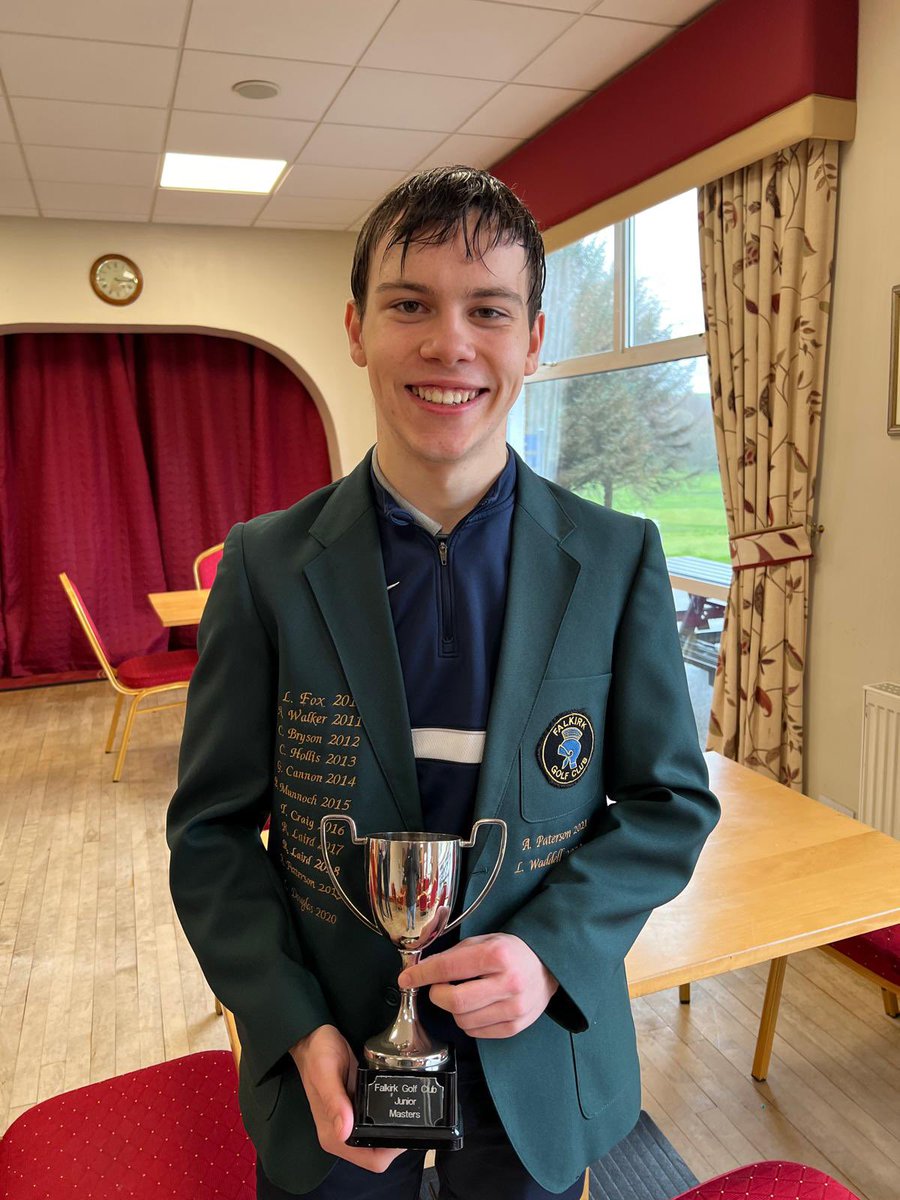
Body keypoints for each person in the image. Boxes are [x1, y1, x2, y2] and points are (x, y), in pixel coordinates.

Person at [167, 166, 720, 1199]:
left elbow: (667, 804)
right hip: (328, 1060)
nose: (450, 344)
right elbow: (208, 837)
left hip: (535, 1056)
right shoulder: (265, 566)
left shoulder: (616, 559)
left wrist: (550, 953)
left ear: (534, 340)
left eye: (489, 311)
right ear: (356, 327)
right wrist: (290, 1022)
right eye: (410, 304)